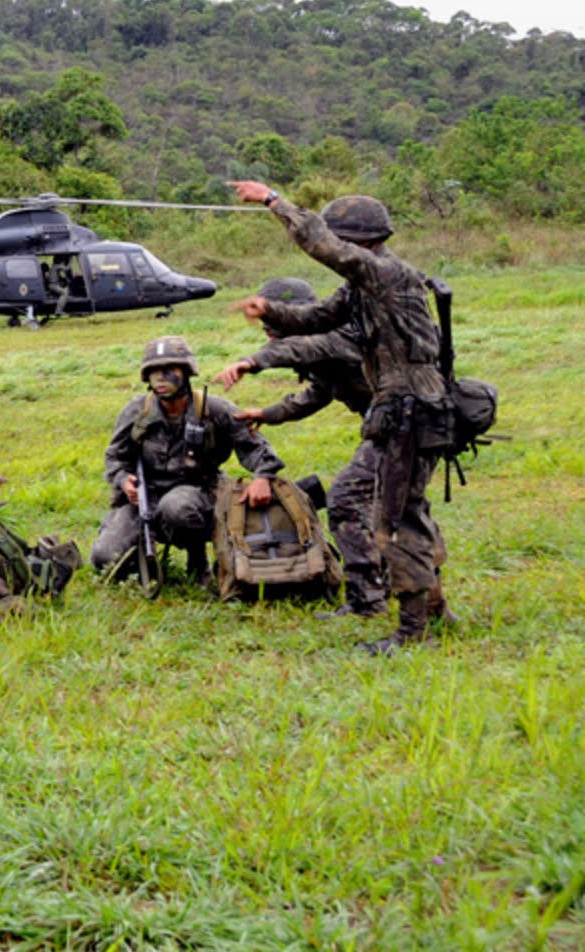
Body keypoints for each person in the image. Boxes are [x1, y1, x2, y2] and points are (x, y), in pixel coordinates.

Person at [226, 182, 453, 655]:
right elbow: (314, 320)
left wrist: (273, 201)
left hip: (411, 409)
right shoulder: (359, 290)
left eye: (341, 240)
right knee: (405, 509)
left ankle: (414, 632)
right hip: (405, 410)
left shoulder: (386, 274)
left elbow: (319, 248)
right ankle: (432, 610)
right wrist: (268, 310)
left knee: (394, 519)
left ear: (360, 242)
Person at [214, 278, 390, 618]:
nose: (267, 329)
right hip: (393, 427)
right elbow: (317, 393)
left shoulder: (332, 337)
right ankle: (397, 583)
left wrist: (251, 362)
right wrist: (268, 414)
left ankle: (369, 600)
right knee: (389, 505)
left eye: (273, 320)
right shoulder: (329, 343)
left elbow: (296, 349)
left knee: (348, 499)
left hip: (402, 427)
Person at [91, 335, 283, 587]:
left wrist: (263, 477)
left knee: (177, 507)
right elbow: (115, 456)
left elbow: (256, 448)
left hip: (199, 494)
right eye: (154, 372)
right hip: (146, 496)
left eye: (169, 370)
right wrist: (123, 480)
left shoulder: (214, 409)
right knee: (105, 558)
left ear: (186, 372)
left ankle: (197, 557)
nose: (160, 378)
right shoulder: (137, 411)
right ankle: (145, 561)